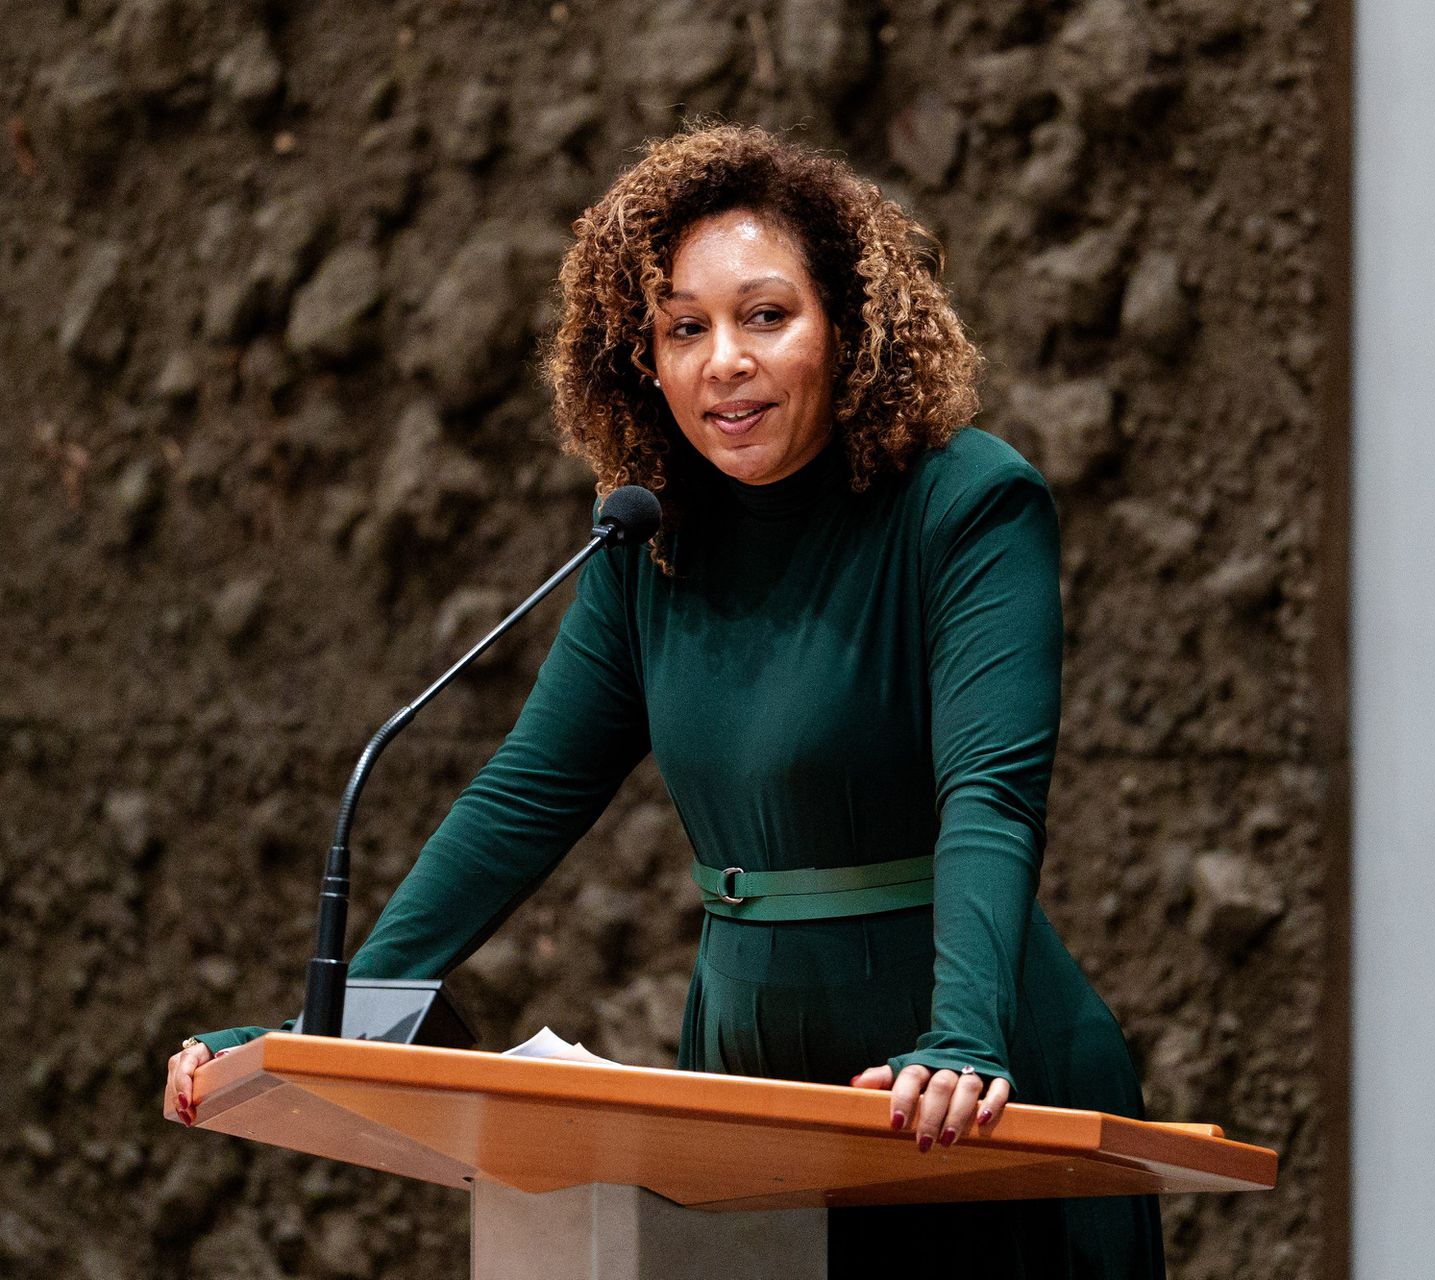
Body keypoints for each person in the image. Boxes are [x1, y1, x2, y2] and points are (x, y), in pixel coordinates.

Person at [164, 121, 1165, 1278]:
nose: (722, 360)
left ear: (850, 326)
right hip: (742, 1076)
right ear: (641, 356)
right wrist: (329, 1038)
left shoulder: (968, 503)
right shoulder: (651, 535)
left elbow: (989, 793)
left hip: (952, 1082)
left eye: (765, 316)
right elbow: (523, 796)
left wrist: (962, 1038)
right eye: (684, 327)